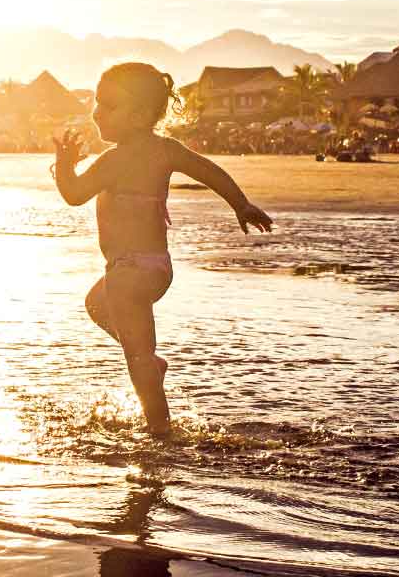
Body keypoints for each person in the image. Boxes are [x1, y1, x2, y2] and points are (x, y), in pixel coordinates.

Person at [52, 62, 273, 436]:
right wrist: (241, 203)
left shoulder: (114, 160)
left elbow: (74, 195)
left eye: (108, 106)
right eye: (97, 102)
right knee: (96, 305)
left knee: (135, 357)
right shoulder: (166, 150)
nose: (97, 112)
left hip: (129, 272)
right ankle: (150, 365)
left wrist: (64, 166)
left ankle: (160, 431)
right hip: (157, 267)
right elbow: (210, 172)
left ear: (139, 115)